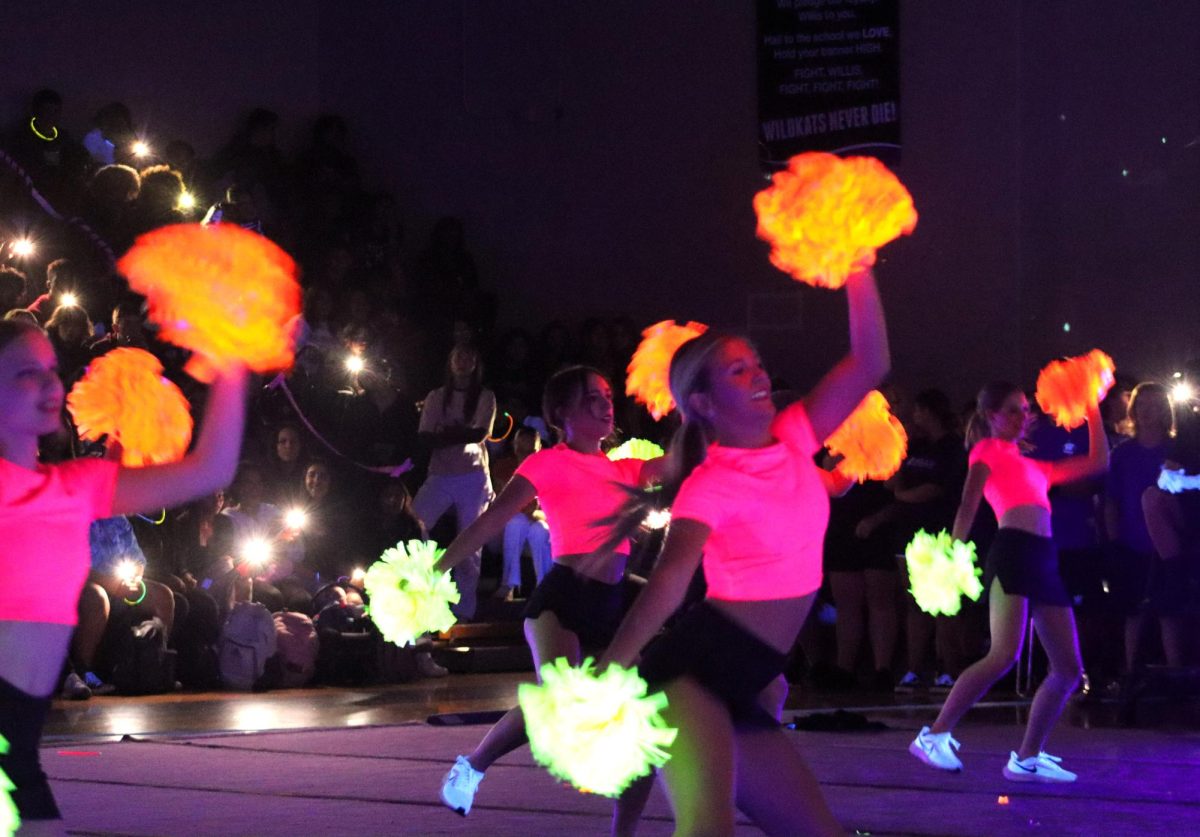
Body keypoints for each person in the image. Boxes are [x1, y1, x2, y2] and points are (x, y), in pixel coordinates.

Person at [599, 266, 888, 836]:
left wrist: (857, 259)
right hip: (691, 676)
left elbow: (871, 362)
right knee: (708, 830)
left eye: (756, 363)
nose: (758, 375)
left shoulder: (796, 436)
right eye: (739, 370)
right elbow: (670, 580)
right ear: (703, 403)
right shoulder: (710, 483)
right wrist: (608, 672)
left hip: (745, 678)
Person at [0, 318, 247, 833]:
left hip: (17, 766)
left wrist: (234, 357)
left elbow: (213, 468)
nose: (50, 384)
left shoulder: (77, 488)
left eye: (51, 369)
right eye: (27, 373)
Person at [435, 366, 666, 833]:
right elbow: (492, 518)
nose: (605, 406)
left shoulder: (627, 469)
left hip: (615, 605)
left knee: (639, 725)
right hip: (560, 599)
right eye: (591, 399)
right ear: (561, 414)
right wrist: (437, 569)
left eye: (607, 397)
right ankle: (473, 765)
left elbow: (692, 461)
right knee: (559, 701)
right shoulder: (545, 463)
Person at [909, 380, 1108, 783]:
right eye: (1013, 409)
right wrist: (953, 550)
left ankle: (1027, 758)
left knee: (1068, 669)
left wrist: (1091, 406)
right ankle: (935, 734)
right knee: (1004, 654)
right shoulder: (987, 450)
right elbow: (969, 500)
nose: (1023, 416)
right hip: (1012, 551)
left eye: (1025, 409)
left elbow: (1098, 461)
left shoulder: (1036, 466)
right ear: (990, 416)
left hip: (1045, 558)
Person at [413, 344, 496, 619]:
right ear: (449, 361)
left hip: (473, 476)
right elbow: (425, 437)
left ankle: (464, 611)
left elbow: (479, 434)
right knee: (414, 523)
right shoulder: (437, 396)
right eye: (458, 354)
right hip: (441, 473)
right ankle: (418, 590)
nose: (463, 360)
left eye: (469, 354)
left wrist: (447, 433)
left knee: (471, 543)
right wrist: (460, 433)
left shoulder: (485, 396)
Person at [1104, 383, 1183, 669]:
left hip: (1171, 546)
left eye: (1155, 406)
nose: (1149, 412)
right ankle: (1132, 675)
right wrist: (1114, 543)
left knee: (1170, 612)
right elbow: (1112, 501)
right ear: (1134, 410)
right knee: (1133, 612)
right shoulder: (1123, 454)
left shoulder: (1177, 448)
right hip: (1132, 543)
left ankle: (1175, 675)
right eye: (1143, 406)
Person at [489, 426, 553, 600]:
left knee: (539, 531)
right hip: (506, 527)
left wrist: (532, 513)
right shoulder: (504, 468)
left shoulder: (547, 472)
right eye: (521, 450)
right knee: (515, 521)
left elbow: (552, 514)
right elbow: (501, 506)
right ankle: (508, 584)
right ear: (514, 447)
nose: (525, 457)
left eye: (530, 452)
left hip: (536, 523)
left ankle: (544, 588)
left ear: (538, 450)